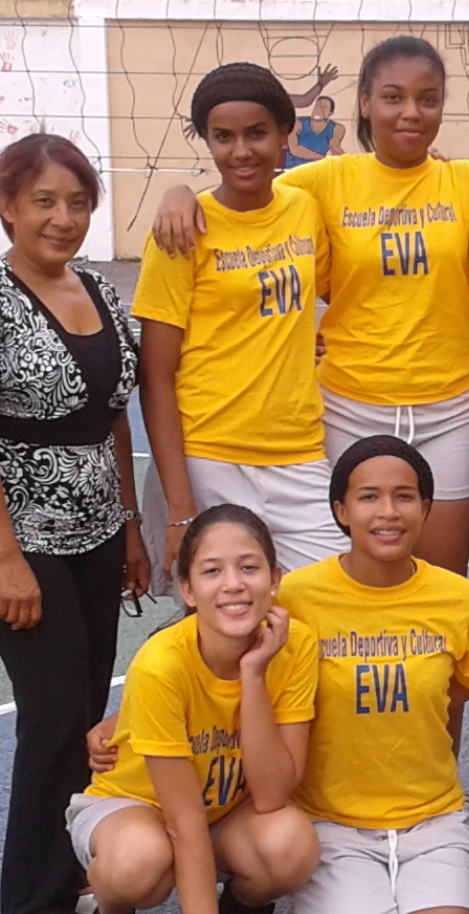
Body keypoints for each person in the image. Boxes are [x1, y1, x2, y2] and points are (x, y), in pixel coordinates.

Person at [151, 36, 469, 575]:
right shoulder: (323, 183)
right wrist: (180, 194)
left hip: (448, 412)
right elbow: (245, 184)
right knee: (356, 580)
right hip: (350, 408)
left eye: (429, 98)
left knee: (441, 581)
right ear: (366, 103)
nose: (412, 112)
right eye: (393, 97)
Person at [0, 134, 148, 914]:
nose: (63, 218)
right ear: (9, 208)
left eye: (78, 202)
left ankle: (75, 863)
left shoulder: (94, 287)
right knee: (54, 711)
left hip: (94, 529)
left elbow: (112, 417)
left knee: (87, 712)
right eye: (45, 202)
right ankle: (32, 903)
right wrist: (7, 557)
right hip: (15, 536)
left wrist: (128, 523)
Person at [277, 436, 469, 914]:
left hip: (431, 822)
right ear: (341, 511)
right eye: (368, 497)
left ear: (426, 508)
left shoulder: (455, 598)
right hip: (334, 824)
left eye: (404, 497)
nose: (387, 512)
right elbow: (208, 662)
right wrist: (130, 720)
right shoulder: (296, 598)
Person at [69, 505, 320, 914]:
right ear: (185, 589)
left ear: (276, 580)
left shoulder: (294, 646)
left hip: (221, 812)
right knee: (142, 861)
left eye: (250, 568)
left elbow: (276, 792)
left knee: (291, 842)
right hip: (136, 808)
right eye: (211, 571)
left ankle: (244, 913)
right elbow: (181, 825)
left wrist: (254, 674)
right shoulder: (161, 664)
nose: (233, 584)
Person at [133, 63, 346, 582]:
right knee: (227, 621)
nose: (241, 151)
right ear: (206, 139)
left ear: (283, 133)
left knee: (326, 606)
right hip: (213, 456)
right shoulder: (182, 231)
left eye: (257, 134)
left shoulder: (304, 208)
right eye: (223, 137)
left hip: (299, 450)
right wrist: (182, 509)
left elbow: (321, 297)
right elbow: (156, 376)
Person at [285, 94, 345, 167]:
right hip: (293, 169)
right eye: (317, 106)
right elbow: (294, 149)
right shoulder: (298, 123)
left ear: (331, 113)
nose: (318, 110)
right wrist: (322, 159)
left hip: (316, 169)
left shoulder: (337, 128)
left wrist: (349, 163)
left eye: (324, 108)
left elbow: (335, 147)